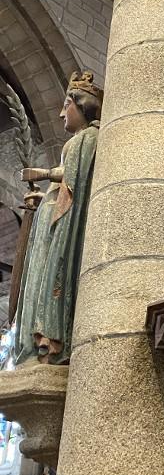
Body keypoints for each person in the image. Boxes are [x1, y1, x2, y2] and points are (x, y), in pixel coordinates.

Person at [14, 71, 102, 365]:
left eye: (67, 105)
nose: (62, 113)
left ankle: (50, 339)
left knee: (54, 272)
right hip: (52, 215)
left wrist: (43, 173)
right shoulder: (75, 140)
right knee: (40, 276)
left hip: (64, 222)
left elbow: (75, 176)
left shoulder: (87, 138)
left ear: (83, 106)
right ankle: (35, 342)